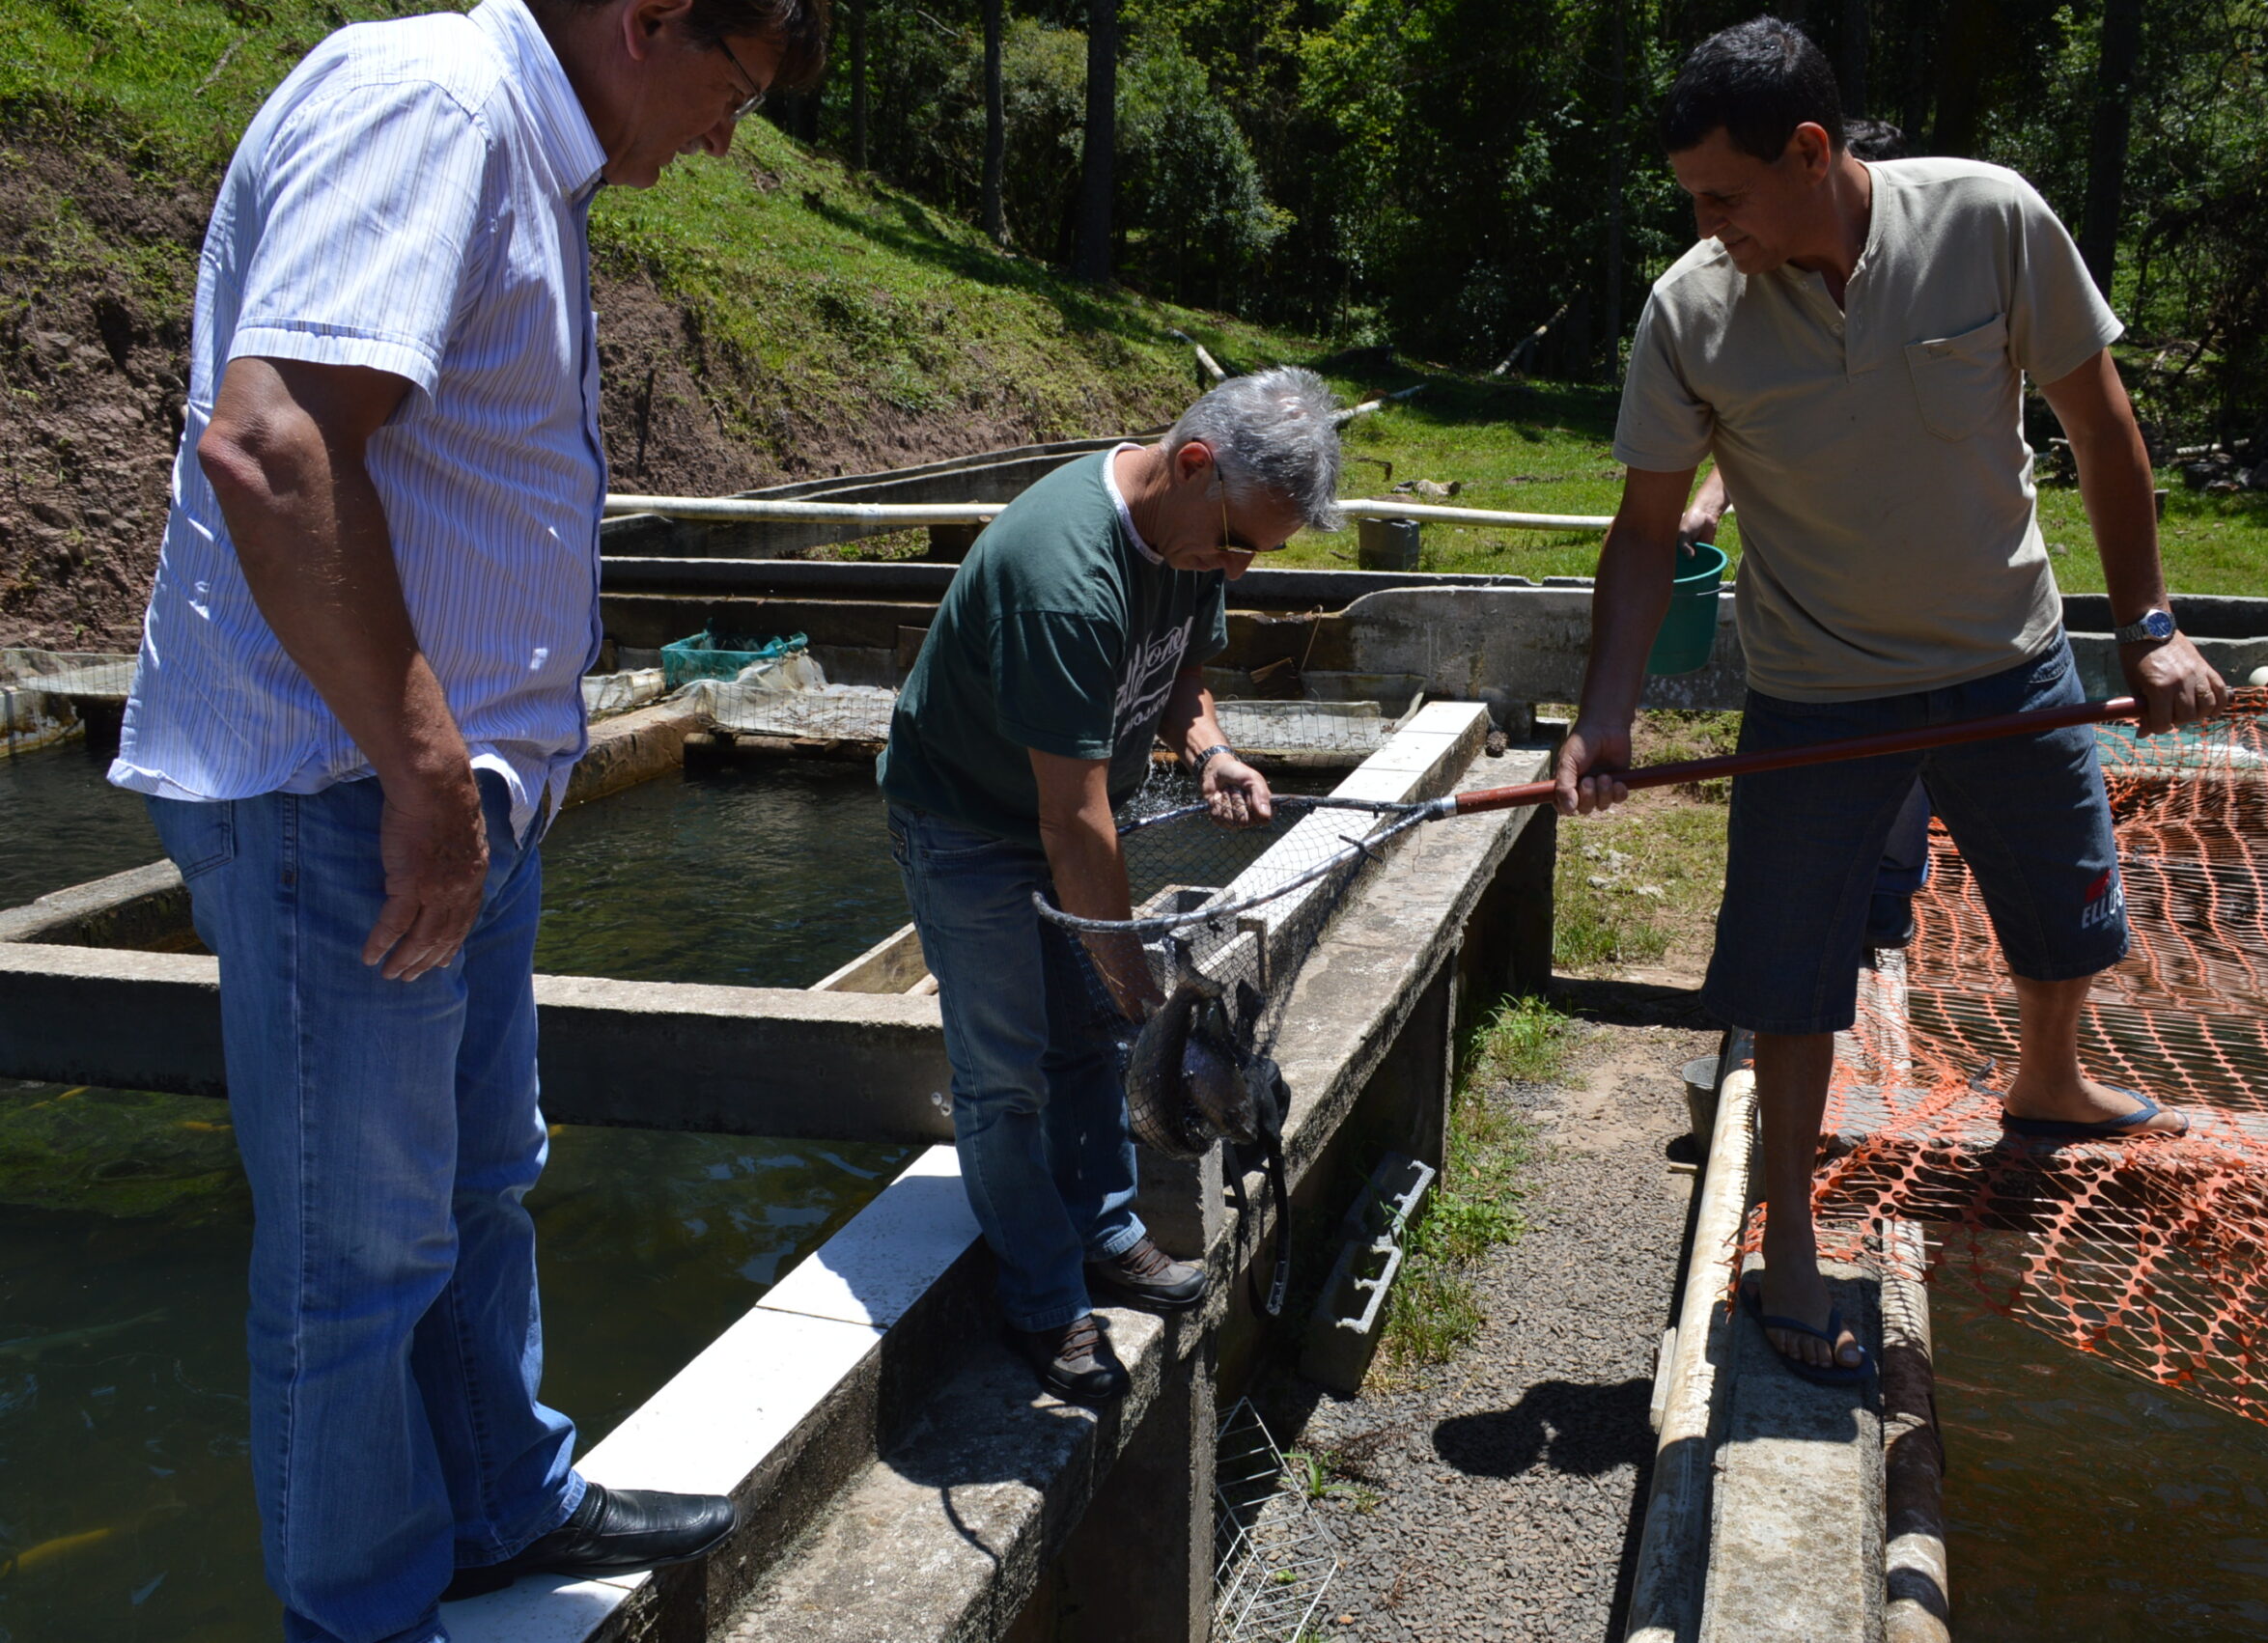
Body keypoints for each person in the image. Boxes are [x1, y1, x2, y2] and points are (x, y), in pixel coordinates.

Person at [107, 0, 824, 1635]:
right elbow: (275, 445)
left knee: (482, 1177)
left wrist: (470, 783)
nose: (727, 138)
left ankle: (501, 1498)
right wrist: (425, 775)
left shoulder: (519, 144)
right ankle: (359, 1610)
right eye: (732, 90)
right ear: (649, 20)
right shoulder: (435, 109)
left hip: (447, 793)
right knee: (355, 1258)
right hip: (346, 793)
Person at [1556, 19, 2225, 1382]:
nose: (1706, 223)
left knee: (2063, 900)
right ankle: (1790, 1240)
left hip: (2007, 653)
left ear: (1812, 150)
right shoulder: (1694, 308)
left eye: (1722, 194)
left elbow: (2101, 425)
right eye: (1694, 198)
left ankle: (2049, 1078)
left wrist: (2147, 627)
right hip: (1818, 689)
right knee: (1791, 974)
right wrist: (1604, 713)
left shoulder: (1990, 219)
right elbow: (1640, 534)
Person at [877, 368, 1342, 1404]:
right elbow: (1069, 824)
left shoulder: (1197, 531)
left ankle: (1102, 1227)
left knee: (1084, 1038)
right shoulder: (1064, 575)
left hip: (1065, 804)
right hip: (967, 821)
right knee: (1005, 1073)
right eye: (1237, 545)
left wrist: (1210, 748)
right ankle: (1043, 1298)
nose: (1237, 565)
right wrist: (1148, 1003)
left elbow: (1180, 675)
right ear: (1190, 466)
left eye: (1256, 552)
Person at [1677, 113, 1930, 954]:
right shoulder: (1740, 293)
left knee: (1909, 782)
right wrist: (1713, 497)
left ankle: (1883, 911)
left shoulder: (1934, 283)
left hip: (1934, 622)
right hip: (1814, 633)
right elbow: (1759, 427)